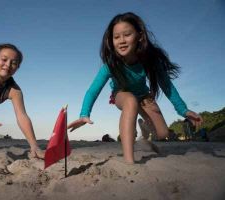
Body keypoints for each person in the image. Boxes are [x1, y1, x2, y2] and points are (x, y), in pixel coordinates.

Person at [68, 12, 203, 164]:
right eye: (116, 37)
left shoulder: (150, 60)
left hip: (143, 95)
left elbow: (167, 86)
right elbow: (93, 90)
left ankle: (144, 129)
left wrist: (183, 110)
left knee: (162, 133)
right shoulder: (111, 65)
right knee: (130, 101)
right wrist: (84, 114)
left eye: (127, 35)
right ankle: (129, 160)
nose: (122, 41)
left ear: (139, 36)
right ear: (111, 41)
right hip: (121, 94)